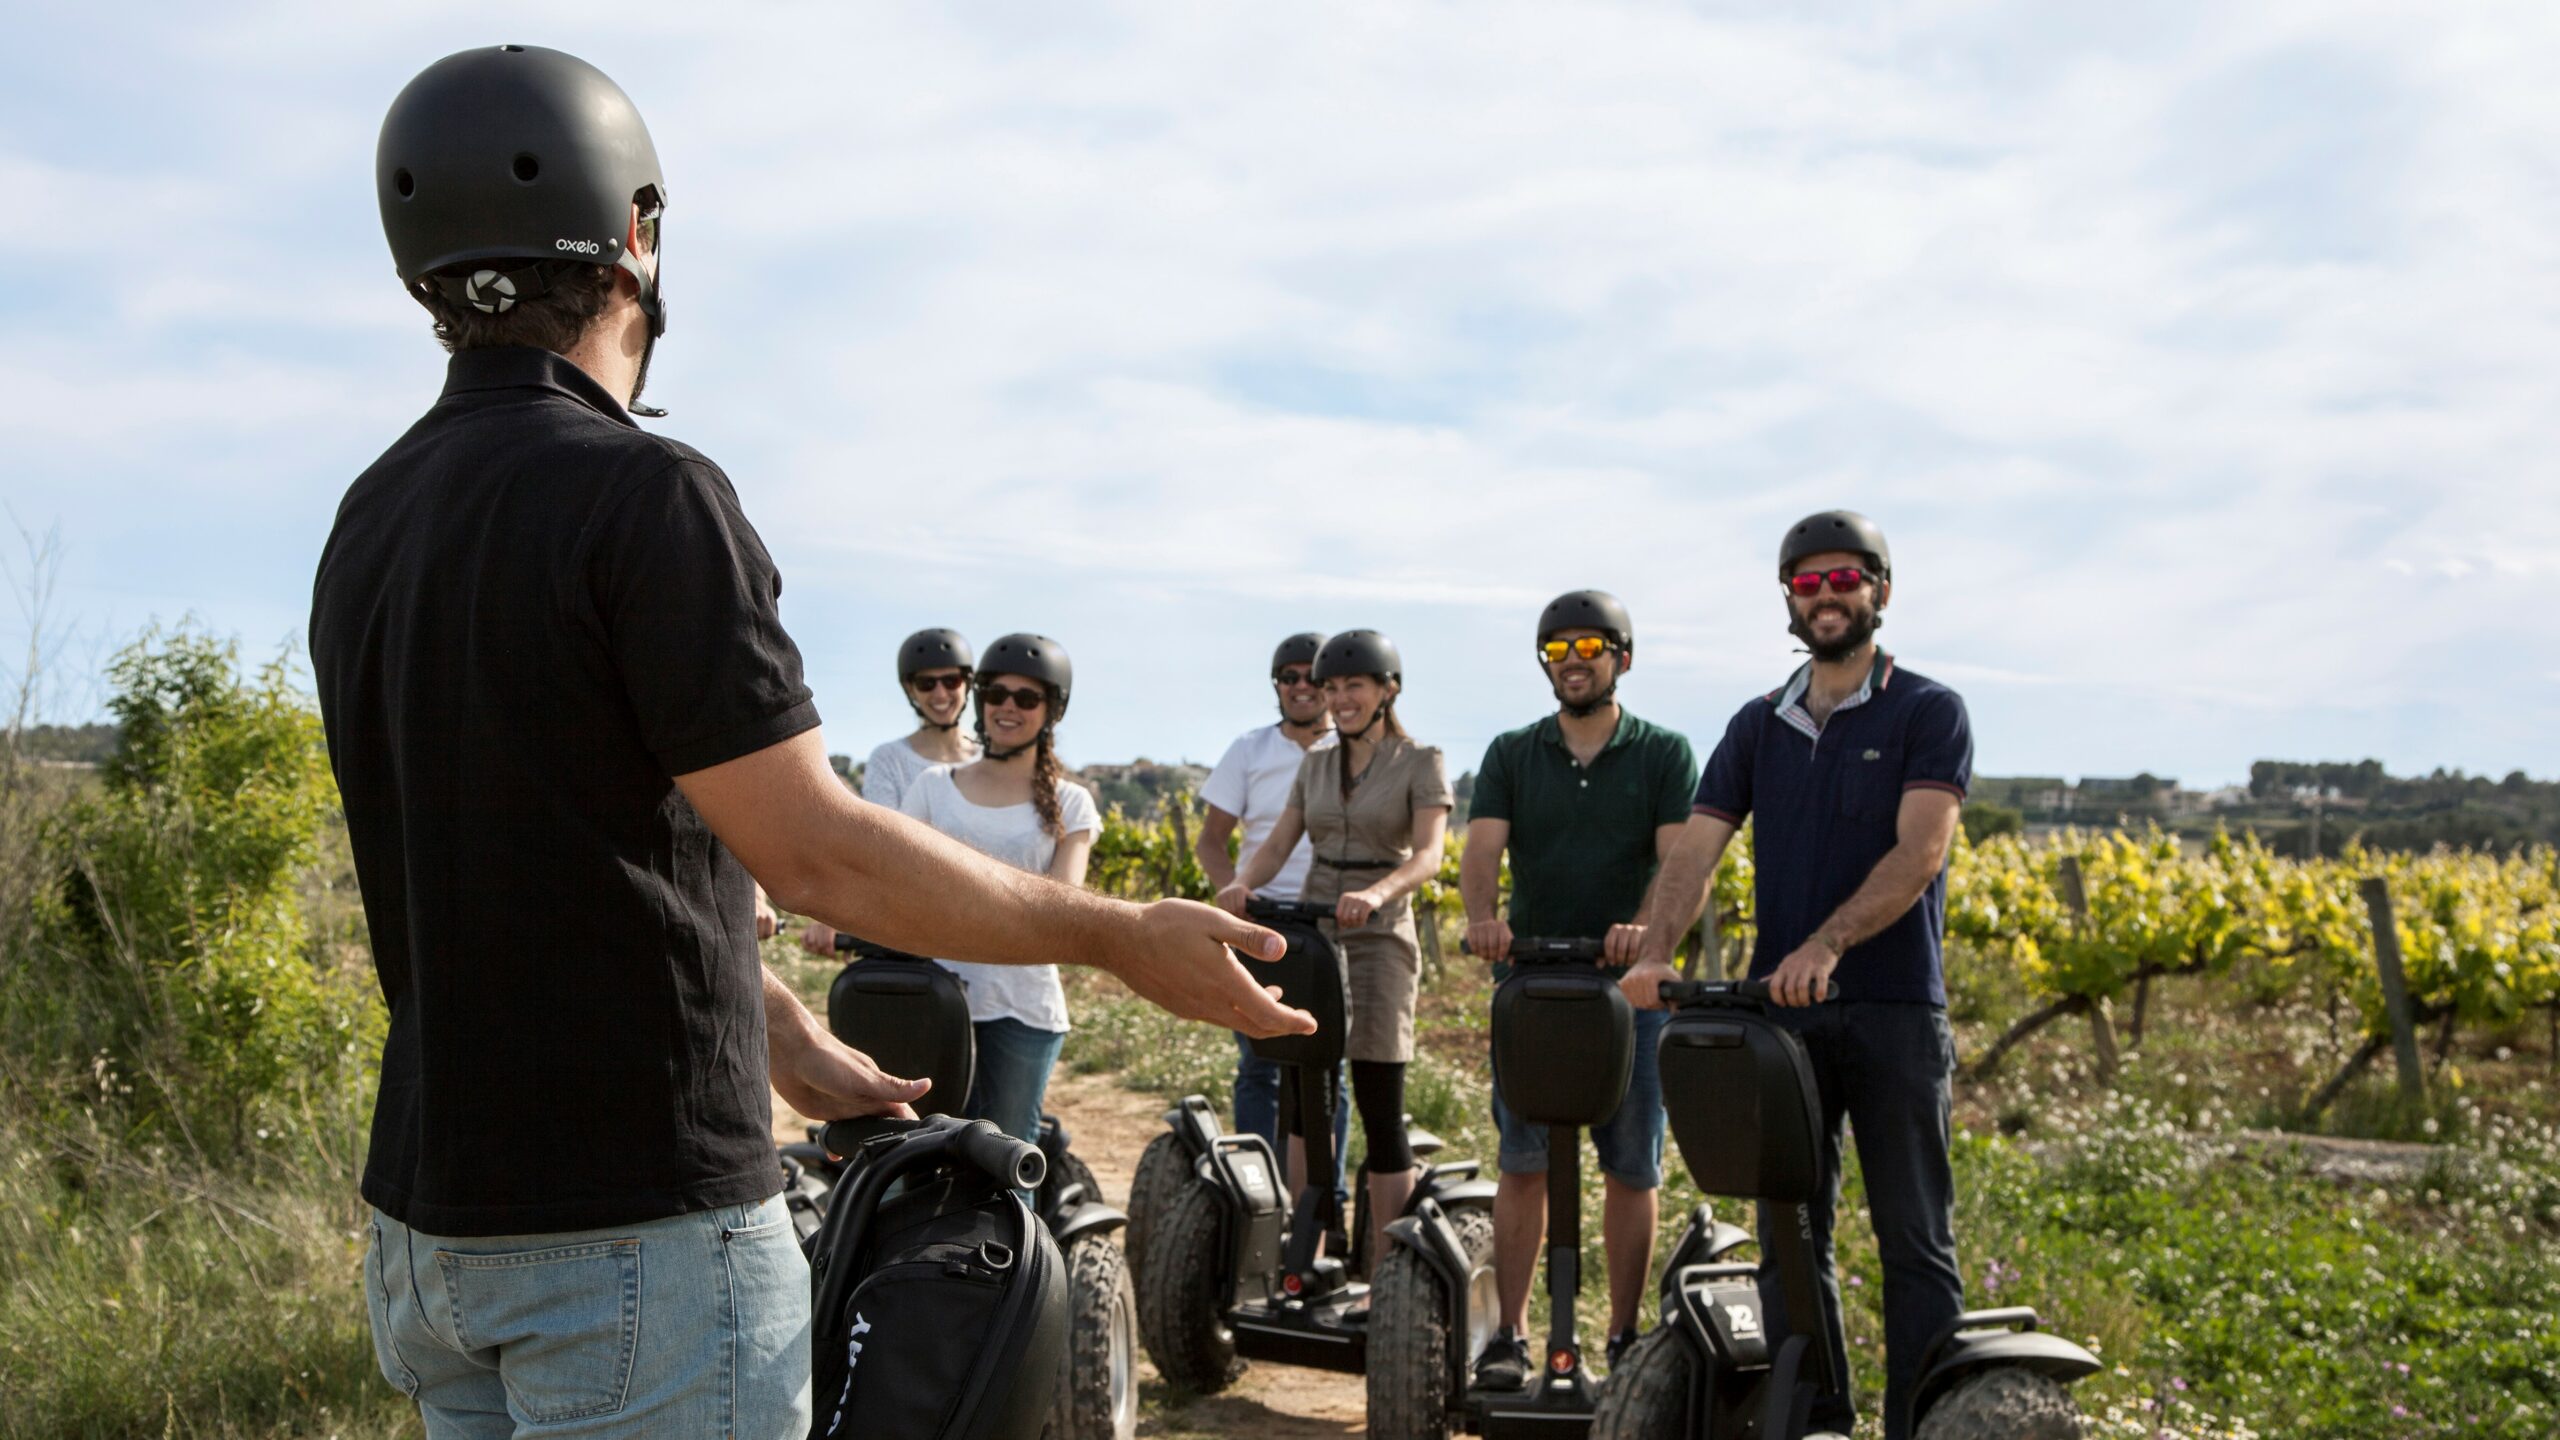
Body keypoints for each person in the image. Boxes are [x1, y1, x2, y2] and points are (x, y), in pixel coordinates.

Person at [317, 48, 1306, 1440]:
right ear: (638, 244)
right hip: (634, 1231)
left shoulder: (372, 521)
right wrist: (1116, 934)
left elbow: (532, 846)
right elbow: (818, 851)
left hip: (432, 1237)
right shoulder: (647, 496)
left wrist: (769, 1021)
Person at [1622, 511, 1970, 1440]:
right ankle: (1814, 1420)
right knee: (1788, 1235)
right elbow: (1696, 852)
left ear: (1880, 592)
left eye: (1845, 579)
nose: (1827, 596)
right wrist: (1657, 949)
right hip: (1787, 1021)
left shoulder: (1927, 711)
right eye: (1808, 583)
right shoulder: (1756, 724)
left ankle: (1920, 1427)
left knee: (1914, 1245)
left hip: (1894, 1011)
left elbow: (1920, 850)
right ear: (1789, 598)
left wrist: (1828, 945)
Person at [1461, 591, 1697, 1388]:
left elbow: (1677, 864)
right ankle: (1512, 1336)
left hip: (1628, 992)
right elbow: (1483, 848)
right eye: (1557, 650)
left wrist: (1646, 935)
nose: (1572, 661)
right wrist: (1484, 917)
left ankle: (1624, 1338)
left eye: (1589, 646)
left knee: (1632, 1166)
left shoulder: (1663, 753)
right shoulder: (1511, 752)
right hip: (1531, 983)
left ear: (1621, 657)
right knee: (1522, 1162)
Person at [1216, 630, 1450, 1269]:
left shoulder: (1420, 759)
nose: (1339, 700)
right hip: (1315, 928)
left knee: (1378, 1095)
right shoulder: (1315, 762)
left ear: (1386, 691)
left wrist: (1377, 893)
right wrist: (1243, 885)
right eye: (1331, 688)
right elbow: (1280, 842)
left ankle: (1385, 1269)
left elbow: (1429, 854)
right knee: (1302, 1089)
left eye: (1354, 687)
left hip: (1379, 935)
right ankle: (1308, 1244)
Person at [812, 634, 1096, 1144]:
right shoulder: (933, 786)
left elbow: (1064, 906)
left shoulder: (1072, 803)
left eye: (1027, 699)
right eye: (996, 694)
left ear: (1052, 711)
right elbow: (890, 879)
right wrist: (834, 913)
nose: (1008, 707)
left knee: (1009, 1156)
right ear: (981, 700)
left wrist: (952, 910)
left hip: (1022, 1005)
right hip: (932, 998)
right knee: (917, 1149)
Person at [1195, 632, 1347, 1198]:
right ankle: (1259, 1188)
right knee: (1259, 1062)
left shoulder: (1350, 752)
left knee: (1329, 1070)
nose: (1301, 687)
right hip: (1263, 923)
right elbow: (1212, 840)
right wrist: (1231, 890)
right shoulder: (1249, 750)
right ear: (1277, 686)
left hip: (1332, 923)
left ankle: (1325, 1194)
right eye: (1290, 677)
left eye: (1313, 677)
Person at [864, 628, 980, 810]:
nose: (940, 694)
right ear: (910, 690)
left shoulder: (988, 757)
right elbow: (880, 834)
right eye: (926, 683)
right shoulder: (888, 760)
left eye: (951, 681)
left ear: (967, 684)